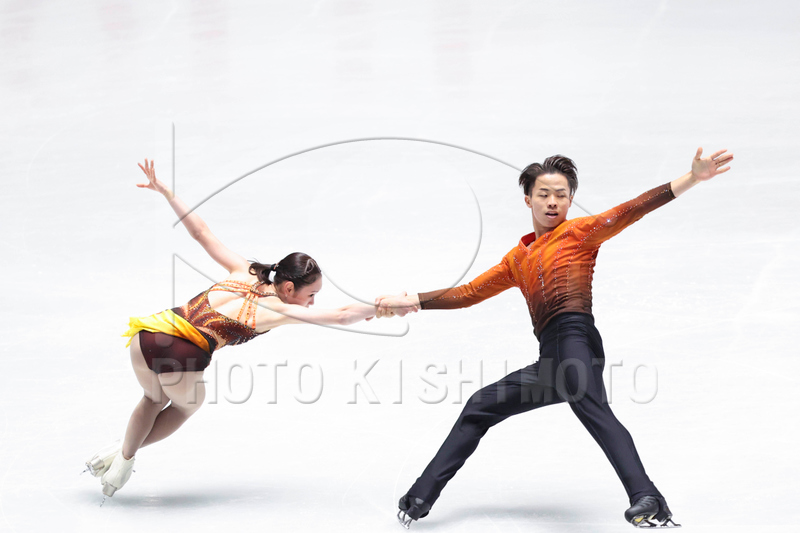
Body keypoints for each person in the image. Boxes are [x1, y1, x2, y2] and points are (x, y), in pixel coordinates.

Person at [377, 147, 733, 528]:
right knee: (480, 406)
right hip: (552, 361)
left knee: (593, 410)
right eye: (544, 194)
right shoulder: (517, 260)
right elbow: (468, 293)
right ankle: (419, 497)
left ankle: (646, 496)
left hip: (574, 340)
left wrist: (692, 177)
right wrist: (415, 300)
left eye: (561, 195)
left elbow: (632, 209)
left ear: (571, 199)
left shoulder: (580, 233)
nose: (552, 202)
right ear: (528, 198)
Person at [85, 159, 397, 499]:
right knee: (186, 406)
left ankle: (122, 449)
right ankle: (124, 457)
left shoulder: (245, 269)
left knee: (152, 399)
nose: (311, 303)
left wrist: (167, 193)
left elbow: (201, 233)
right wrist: (380, 308)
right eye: (311, 295)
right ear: (289, 287)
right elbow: (341, 316)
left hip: (149, 333)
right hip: (182, 353)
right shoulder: (279, 309)